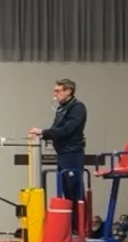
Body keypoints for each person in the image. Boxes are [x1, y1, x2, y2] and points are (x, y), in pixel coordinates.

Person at [28, 78, 87, 206]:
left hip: (72, 153)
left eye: (58, 91)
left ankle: (79, 218)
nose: (55, 94)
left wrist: (43, 132)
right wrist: (41, 134)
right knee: (66, 191)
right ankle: (70, 217)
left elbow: (66, 130)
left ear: (68, 91)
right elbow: (56, 129)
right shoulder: (62, 109)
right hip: (62, 153)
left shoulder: (77, 108)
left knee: (74, 189)